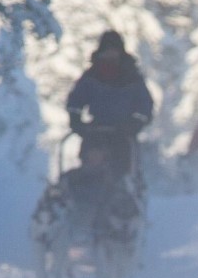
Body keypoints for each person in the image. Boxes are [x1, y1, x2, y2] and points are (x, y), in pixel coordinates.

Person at [66, 31, 153, 174]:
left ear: (120, 53)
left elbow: (145, 105)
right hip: (95, 131)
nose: (110, 55)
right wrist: (75, 119)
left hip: (123, 132)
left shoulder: (131, 77)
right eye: (107, 51)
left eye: (113, 51)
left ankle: (124, 187)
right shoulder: (91, 76)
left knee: (123, 167)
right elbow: (76, 99)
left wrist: (136, 123)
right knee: (89, 164)